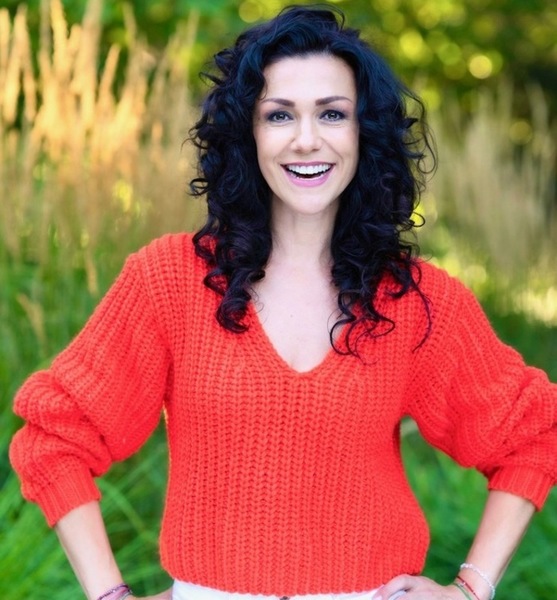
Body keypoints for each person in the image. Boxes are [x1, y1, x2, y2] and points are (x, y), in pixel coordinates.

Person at [9, 5, 557, 600]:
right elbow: (55, 437)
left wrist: (471, 588)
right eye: (279, 115)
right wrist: (110, 595)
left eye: (332, 113)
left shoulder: (415, 302)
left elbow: (533, 435)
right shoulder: (168, 280)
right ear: (248, 134)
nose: (306, 139)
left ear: (364, 132)